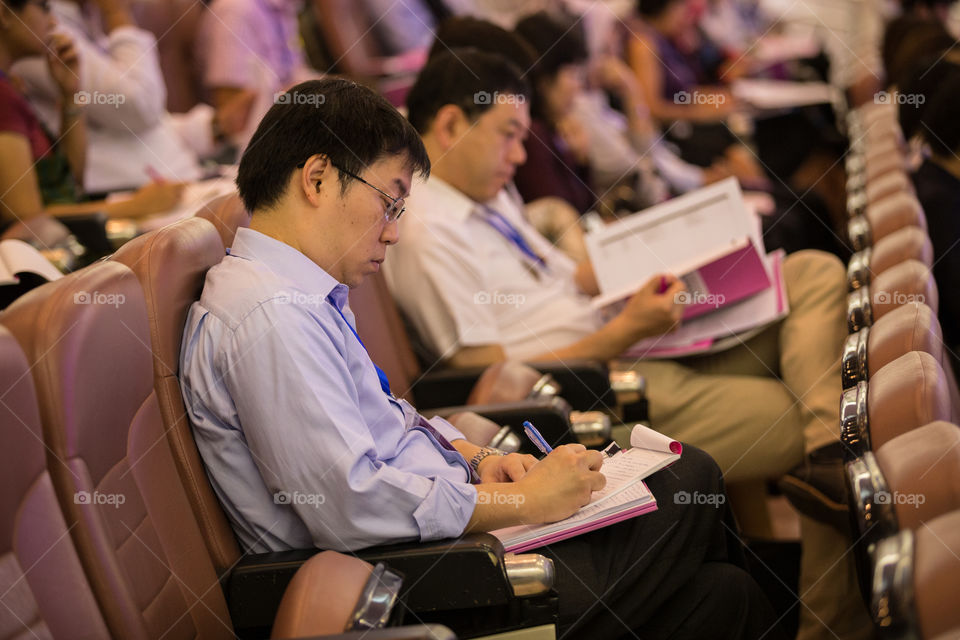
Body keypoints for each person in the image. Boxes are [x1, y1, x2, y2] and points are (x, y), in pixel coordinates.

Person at [178, 76, 784, 640]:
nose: (392, 231)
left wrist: (474, 460)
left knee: (722, 594)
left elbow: (387, 426)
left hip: (439, 545)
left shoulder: (300, 295)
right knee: (691, 484)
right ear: (316, 179)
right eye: (389, 203)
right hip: (422, 585)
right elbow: (349, 504)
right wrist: (525, 502)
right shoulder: (271, 316)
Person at [387, 48, 874, 639]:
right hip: (596, 384)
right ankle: (832, 615)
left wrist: (637, 283)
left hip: (625, 337)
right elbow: (474, 363)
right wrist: (626, 330)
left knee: (815, 271)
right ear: (449, 125)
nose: (520, 155)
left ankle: (828, 453)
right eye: (509, 136)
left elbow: (564, 281)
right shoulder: (427, 231)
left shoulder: (488, 199)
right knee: (828, 419)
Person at [0, 0, 183, 233]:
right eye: (44, 6)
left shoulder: (11, 86)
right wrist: (137, 205)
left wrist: (71, 94)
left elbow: (72, 182)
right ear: (5, 13)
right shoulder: (3, 97)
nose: (53, 21)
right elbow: (26, 221)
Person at [10, 0, 220, 192]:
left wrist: (211, 127)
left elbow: (148, 121)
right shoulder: (42, 36)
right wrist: (117, 14)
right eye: (43, 6)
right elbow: (138, 105)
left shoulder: (79, 17)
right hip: (126, 193)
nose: (51, 19)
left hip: (170, 182)